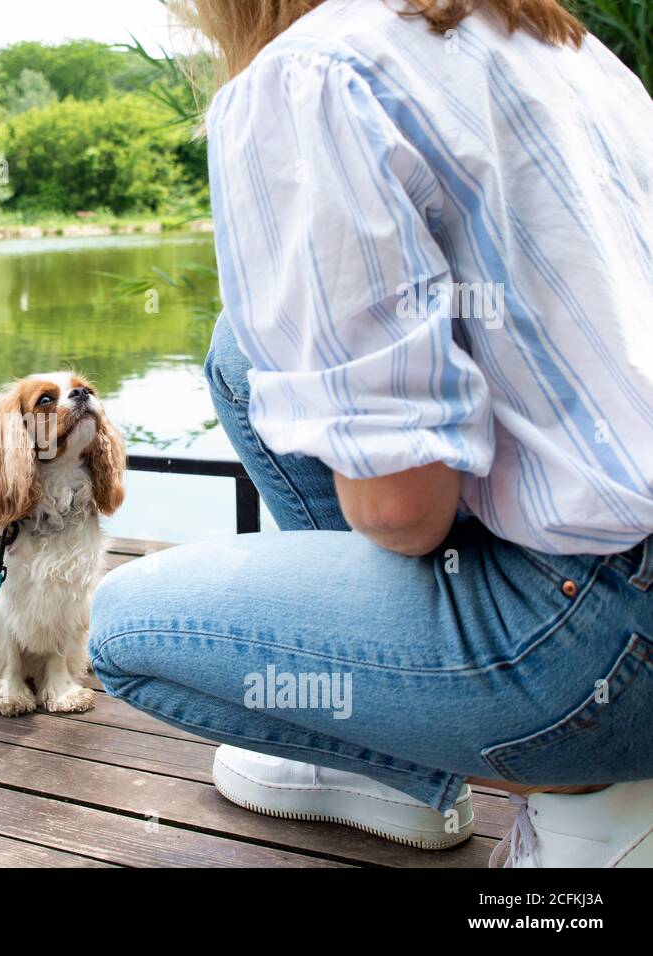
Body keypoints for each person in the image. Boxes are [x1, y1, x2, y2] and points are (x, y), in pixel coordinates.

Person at [89, 0, 653, 867]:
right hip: (630, 566)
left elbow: (403, 511)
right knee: (242, 356)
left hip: (605, 643)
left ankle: (586, 792)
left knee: (125, 633)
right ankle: (408, 762)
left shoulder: (308, 72)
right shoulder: (558, 38)